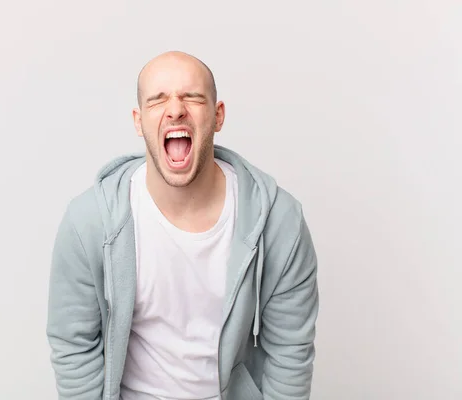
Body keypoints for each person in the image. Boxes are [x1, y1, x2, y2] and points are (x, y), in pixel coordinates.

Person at [46, 51, 319, 400]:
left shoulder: (280, 221)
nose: (175, 109)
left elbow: (290, 352)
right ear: (139, 121)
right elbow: (73, 345)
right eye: (157, 100)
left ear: (218, 116)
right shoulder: (90, 222)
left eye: (192, 96)